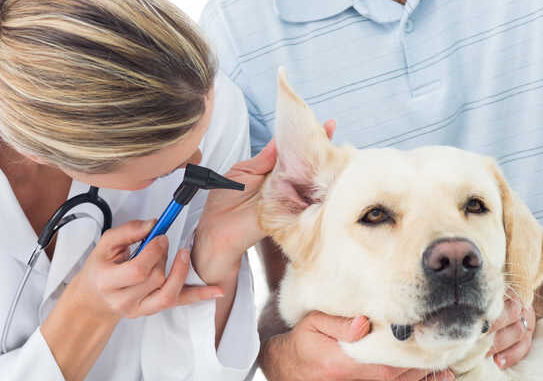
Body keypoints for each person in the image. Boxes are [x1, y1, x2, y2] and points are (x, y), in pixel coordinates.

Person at [200, 0, 542, 379]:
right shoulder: (235, 30)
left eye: (475, 207)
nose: (454, 252)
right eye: (378, 215)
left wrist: (528, 297)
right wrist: (283, 359)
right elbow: (273, 290)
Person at [0, 0, 274, 379]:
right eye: (161, 170)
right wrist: (89, 311)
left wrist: (215, 254)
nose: (196, 161)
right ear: (40, 152)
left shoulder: (209, 100)